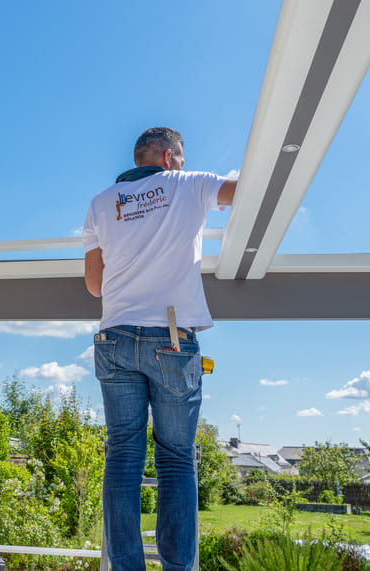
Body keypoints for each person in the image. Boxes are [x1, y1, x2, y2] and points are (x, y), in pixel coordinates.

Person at [82, 128, 236, 571]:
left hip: (114, 338)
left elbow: (95, 285)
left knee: (124, 455)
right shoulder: (187, 184)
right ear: (170, 158)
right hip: (169, 338)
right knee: (174, 458)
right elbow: (243, 193)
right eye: (181, 160)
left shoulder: (100, 202)